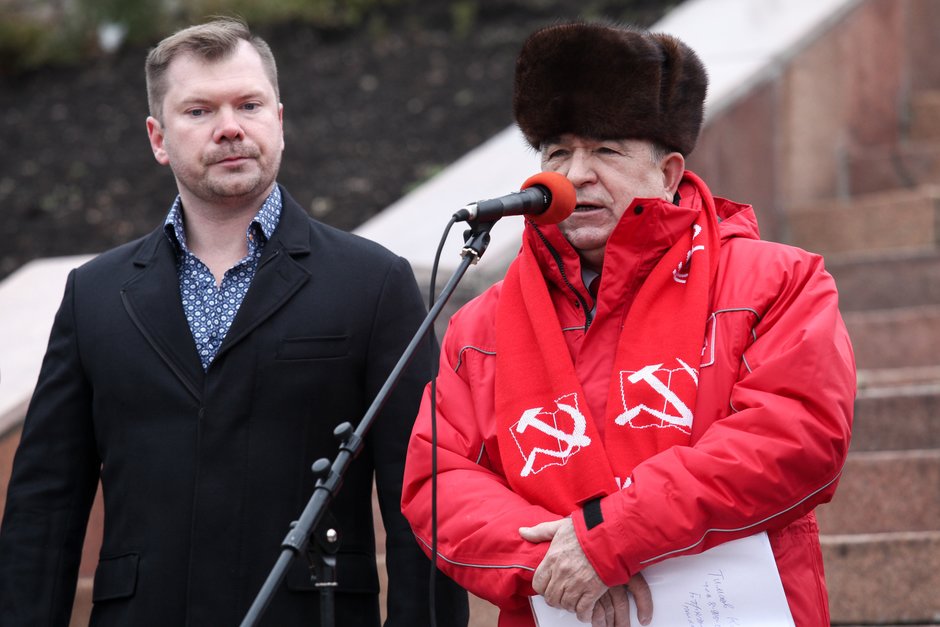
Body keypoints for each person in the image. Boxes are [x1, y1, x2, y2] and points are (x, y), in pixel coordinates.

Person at [0, 17, 467, 627]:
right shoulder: (94, 295)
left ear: (279, 120)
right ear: (157, 138)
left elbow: (425, 495)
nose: (230, 127)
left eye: (249, 104)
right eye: (199, 111)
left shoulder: (374, 283)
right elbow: (45, 507)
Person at [401, 20, 855, 627]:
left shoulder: (777, 280)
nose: (574, 175)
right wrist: (551, 564)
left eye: (606, 151)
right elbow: (438, 479)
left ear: (668, 174)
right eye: (557, 153)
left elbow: (796, 435)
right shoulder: (478, 328)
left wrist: (611, 537)